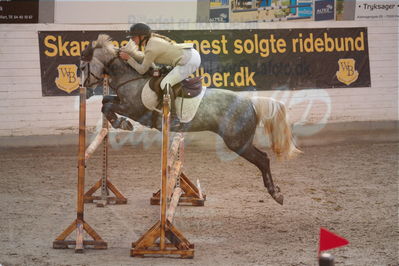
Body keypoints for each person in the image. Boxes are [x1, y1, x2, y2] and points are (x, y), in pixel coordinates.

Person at [119, 23, 201, 127]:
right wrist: (132, 55)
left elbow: (142, 70)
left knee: (165, 83)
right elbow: (146, 58)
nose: (133, 40)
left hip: (189, 61)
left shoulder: (151, 47)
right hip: (188, 55)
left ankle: (174, 117)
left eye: (134, 37)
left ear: (142, 37)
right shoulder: (151, 41)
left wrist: (128, 58)